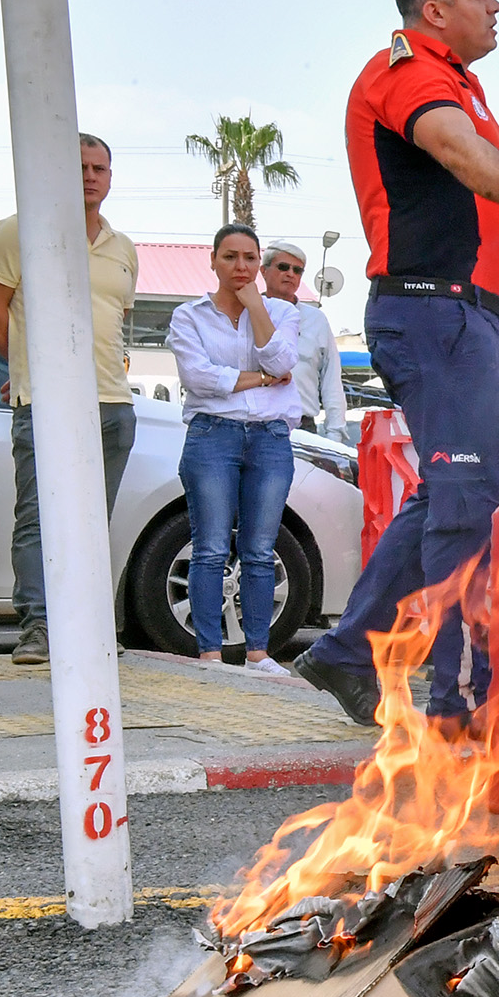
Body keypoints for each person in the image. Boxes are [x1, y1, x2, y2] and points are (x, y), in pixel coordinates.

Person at [293, 0, 499, 731]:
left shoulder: (460, 81)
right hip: (433, 312)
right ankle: (462, 697)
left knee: (449, 499)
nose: (496, 6)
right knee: (465, 508)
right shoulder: (406, 69)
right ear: (433, 10)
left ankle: (346, 652)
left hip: (472, 320)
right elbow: (454, 149)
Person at [0, 132, 137, 667]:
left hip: (113, 405)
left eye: (100, 168)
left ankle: (87, 627)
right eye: (79, 166)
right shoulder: (16, 233)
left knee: (94, 519)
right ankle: (39, 627)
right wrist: (31, 365)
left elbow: (116, 323)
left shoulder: (124, 248)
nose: (90, 176)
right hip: (44, 403)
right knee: (39, 518)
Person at [166, 225, 302, 671]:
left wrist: (255, 307)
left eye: (249, 258)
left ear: (259, 263)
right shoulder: (190, 316)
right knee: (209, 545)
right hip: (212, 435)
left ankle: (259, 651)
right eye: (230, 257)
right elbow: (199, 379)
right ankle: (209, 652)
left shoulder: (281, 312)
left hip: (269, 438)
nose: (240, 266)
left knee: (261, 548)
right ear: (213, 261)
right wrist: (263, 380)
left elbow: (282, 361)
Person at [258, 242, 349, 443]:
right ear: (264, 271)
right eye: (283, 267)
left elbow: (331, 380)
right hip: (254, 425)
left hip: (302, 430)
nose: (291, 274)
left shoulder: (316, 320)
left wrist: (334, 435)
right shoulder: (247, 313)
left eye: (297, 270)